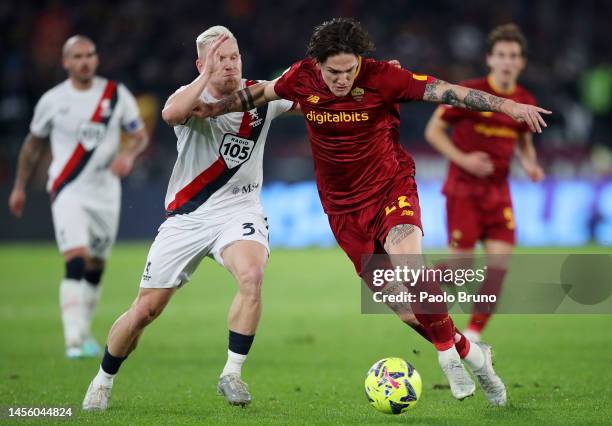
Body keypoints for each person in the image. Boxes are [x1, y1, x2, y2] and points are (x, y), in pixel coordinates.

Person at [201, 18, 551, 406]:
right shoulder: (300, 78)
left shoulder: (383, 77)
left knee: (410, 266)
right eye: (334, 72)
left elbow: (447, 92)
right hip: (343, 211)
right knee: (405, 310)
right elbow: (259, 95)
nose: (343, 79)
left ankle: (448, 356)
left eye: (350, 70)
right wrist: (210, 109)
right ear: (317, 64)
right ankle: (472, 353)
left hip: (390, 187)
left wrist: (509, 106)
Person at [82, 26, 297, 410]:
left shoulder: (261, 94)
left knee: (252, 275)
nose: (230, 65)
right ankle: (103, 379)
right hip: (187, 217)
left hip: (240, 210)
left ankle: (232, 372)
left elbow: (309, 97)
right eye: (220, 59)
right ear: (202, 63)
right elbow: (171, 114)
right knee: (145, 311)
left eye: (234, 57)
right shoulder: (189, 97)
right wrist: (205, 77)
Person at [8, 35, 148, 359]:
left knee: (96, 265)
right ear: (66, 62)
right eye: (78, 56)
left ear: (96, 59)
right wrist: (19, 186)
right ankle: (73, 340)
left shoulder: (115, 94)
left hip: (106, 190)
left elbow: (139, 135)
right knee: (76, 258)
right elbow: (32, 145)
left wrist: (128, 155)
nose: (85, 61)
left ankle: (83, 331)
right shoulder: (53, 100)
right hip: (68, 187)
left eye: (90, 55)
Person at [425, 24, 545, 343]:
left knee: (499, 267)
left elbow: (523, 140)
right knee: (459, 270)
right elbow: (433, 131)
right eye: (502, 55)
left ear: (522, 63)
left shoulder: (523, 99)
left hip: (498, 193)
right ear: (490, 59)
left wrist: (530, 163)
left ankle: (474, 332)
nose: (508, 62)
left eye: (514, 56)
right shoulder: (469, 92)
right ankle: (418, 282)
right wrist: (463, 159)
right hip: (463, 191)